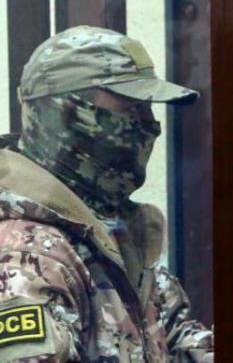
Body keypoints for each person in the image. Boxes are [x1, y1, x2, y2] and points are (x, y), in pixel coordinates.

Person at [0, 25, 213, 362]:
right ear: (67, 111)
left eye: (147, 109)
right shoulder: (26, 252)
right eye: (130, 109)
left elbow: (178, 342)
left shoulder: (114, 231)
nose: (148, 125)